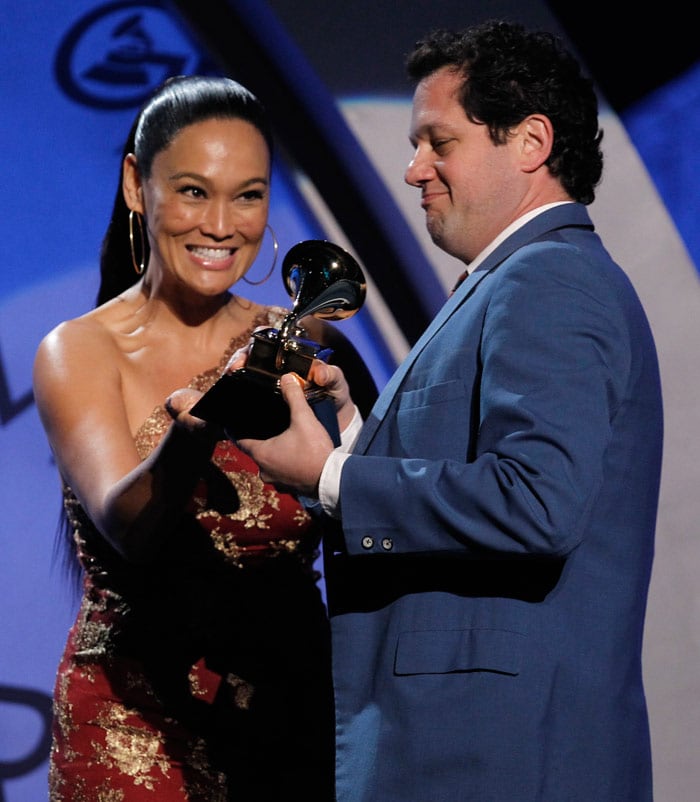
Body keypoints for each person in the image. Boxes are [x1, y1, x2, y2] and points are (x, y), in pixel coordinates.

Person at [236, 19, 664, 802]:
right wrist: (352, 435)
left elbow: (537, 502)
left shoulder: (548, 280)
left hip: (495, 757)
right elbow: (484, 468)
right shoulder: (514, 279)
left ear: (530, 141)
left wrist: (333, 478)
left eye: (439, 142)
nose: (413, 170)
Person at [33, 75, 376, 801]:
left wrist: (345, 416)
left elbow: (379, 500)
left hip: (294, 711)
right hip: (135, 724)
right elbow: (130, 527)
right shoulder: (79, 351)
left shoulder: (302, 339)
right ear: (136, 184)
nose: (222, 224)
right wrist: (197, 426)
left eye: (248, 195)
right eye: (193, 191)